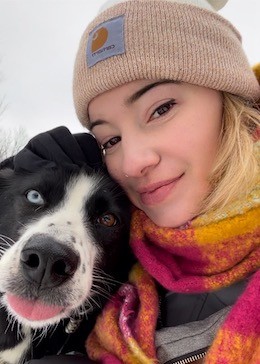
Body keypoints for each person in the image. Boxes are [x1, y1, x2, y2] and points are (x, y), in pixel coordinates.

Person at [25, 0, 260, 362]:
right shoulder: (120, 267)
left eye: (161, 109)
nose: (133, 163)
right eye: (110, 141)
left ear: (231, 99)